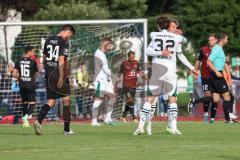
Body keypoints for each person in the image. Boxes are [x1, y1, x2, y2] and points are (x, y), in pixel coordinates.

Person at [134, 17, 197, 135]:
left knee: (150, 100)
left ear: (159, 26)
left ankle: (140, 127)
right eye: (173, 27)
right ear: (168, 26)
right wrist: (192, 68)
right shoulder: (177, 38)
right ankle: (173, 128)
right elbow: (184, 40)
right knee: (172, 99)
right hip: (170, 72)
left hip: (157, 71)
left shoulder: (154, 35)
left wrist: (160, 52)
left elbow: (147, 51)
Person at [33, 24, 75, 135]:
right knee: (66, 100)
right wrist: (61, 76)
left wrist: (47, 70)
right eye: (70, 35)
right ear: (68, 31)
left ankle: (38, 121)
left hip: (49, 74)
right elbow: (61, 60)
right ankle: (66, 130)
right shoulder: (64, 42)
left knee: (51, 101)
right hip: (58, 74)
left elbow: (45, 58)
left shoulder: (48, 40)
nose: (69, 37)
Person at [189, 34, 218, 123]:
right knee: (208, 97)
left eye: (212, 40)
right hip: (206, 76)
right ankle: (205, 115)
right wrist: (196, 72)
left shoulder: (219, 50)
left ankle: (212, 118)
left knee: (215, 98)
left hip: (216, 77)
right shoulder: (203, 49)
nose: (210, 42)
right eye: (209, 40)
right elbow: (198, 61)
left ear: (216, 40)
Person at [207, 32, 233, 123]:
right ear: (223, 39)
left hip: (217, 75)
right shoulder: (217, 49)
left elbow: (219, 62)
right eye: (226, 38)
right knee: (227, 97)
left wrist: (224, 60)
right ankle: (227, 119)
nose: (227, 40)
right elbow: (208, 61)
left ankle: (195, 101)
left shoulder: (219, 49)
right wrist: (217, 71)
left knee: (216, 99)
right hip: (217, 75)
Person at [91, 37, 117, 126]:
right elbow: (105, 69)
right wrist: (115, 77)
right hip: (99, 80)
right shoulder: (98, 54)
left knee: (113, 97)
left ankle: (107, 118)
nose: (110, 46)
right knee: (98, 99)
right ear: (104, 43)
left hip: (106, 80)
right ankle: (94, 121)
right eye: (109, 44)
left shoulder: (102, 54)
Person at [12, 46, 38, 127]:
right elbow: (35, 73)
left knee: (24, 103)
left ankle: (25, 123)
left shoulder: (18, 61)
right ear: (29, 52)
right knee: (32, 104)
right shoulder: (33, 62)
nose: (33, 53)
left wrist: (20, 78)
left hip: (22, 84)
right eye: (32, 51)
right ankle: (26, 117)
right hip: (30, 84)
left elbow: (14, 74)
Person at [120, 51, 141, 123]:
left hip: (133, 85)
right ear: (128, 57)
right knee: (130, 99)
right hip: (126, 85)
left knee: (130, 102)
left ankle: (123, 116)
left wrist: (140, 79)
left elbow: (138, 72)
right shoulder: (124, 63)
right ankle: (134, 117)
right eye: (131, 57)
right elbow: (120, 73)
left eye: (133, 57)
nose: (132, 58)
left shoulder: (136, 63)